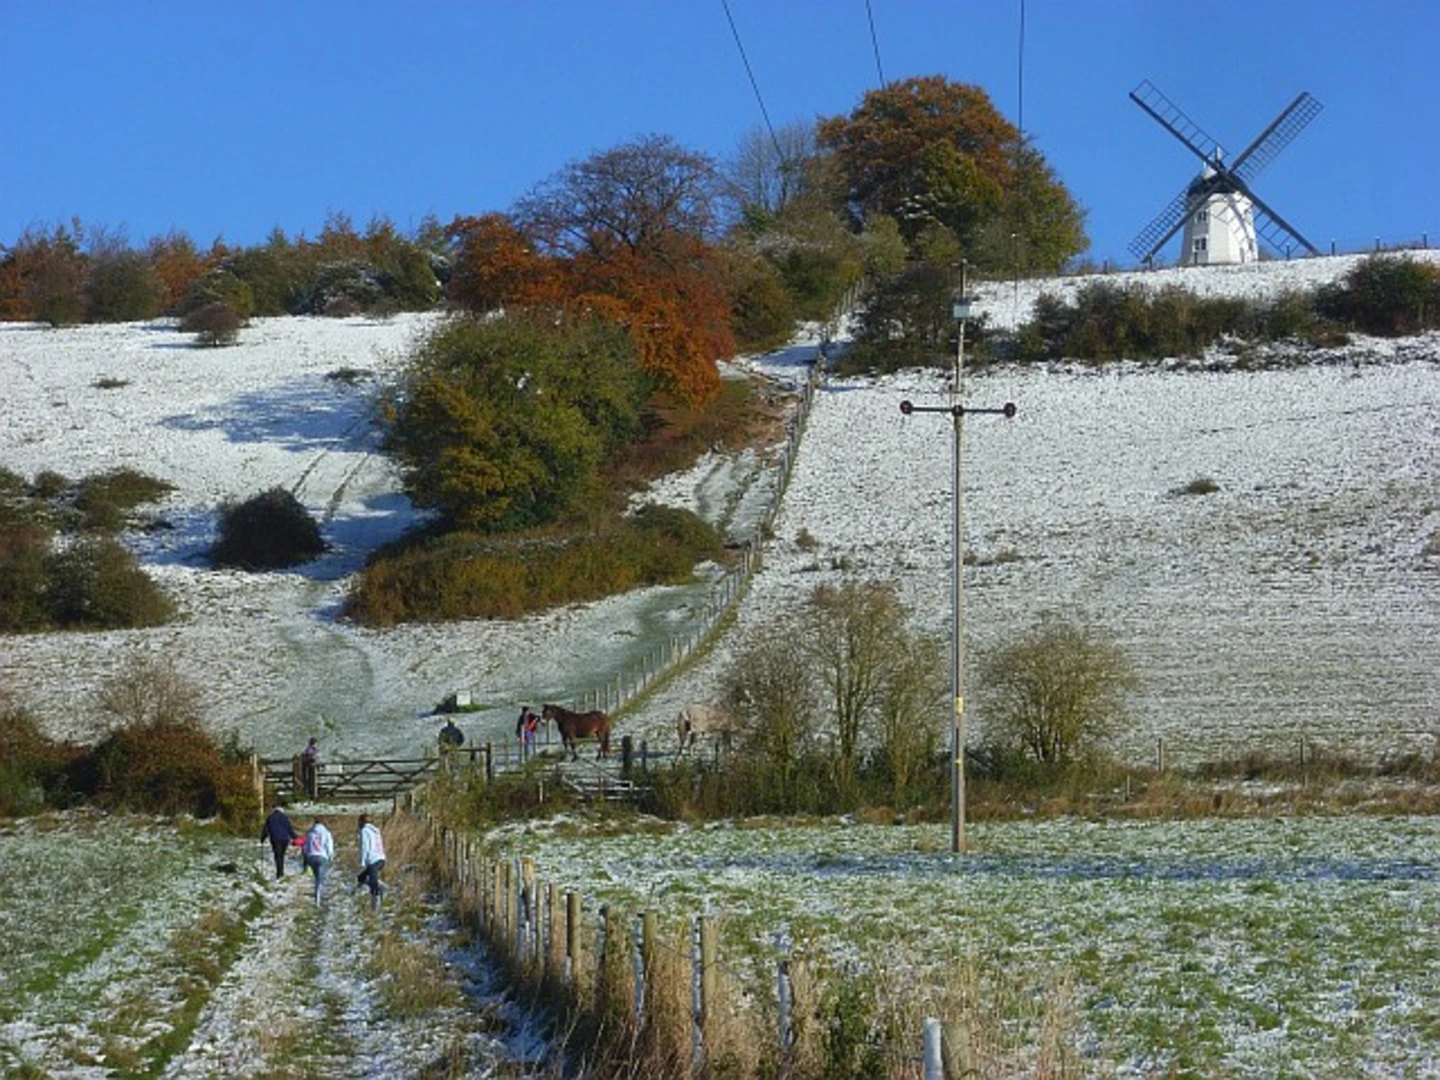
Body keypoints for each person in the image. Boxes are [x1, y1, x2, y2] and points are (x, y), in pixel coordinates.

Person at [356, 813, 388, 911]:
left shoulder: (364, 831)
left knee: (373, 887)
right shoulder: (375, 831)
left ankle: (374, 910)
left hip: (373, 860)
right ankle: (382, 887)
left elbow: (365, 846)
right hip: (381, 859)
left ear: (362, 822)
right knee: (361, 878)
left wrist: (362, 861)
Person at [302, 815, 334, 906]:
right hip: (322, 856)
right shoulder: (326, 833)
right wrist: (330, 856)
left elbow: (306, 846)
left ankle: (317, 893)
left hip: (311, 857)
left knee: (316, 877)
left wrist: (307, 856)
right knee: (321, 877)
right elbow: (329, 846)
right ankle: (318, 897)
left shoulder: (310, 833)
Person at [259, 804, 299, 879]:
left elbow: (265, 830)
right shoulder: (285, 817)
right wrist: (295, 837)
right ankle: (281, 872)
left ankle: (279, 873)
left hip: (275, 839)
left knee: (278, 856)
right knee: (281, 855)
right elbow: (289, 828)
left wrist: (262, 839)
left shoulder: (270, 818)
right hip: (285, 839)